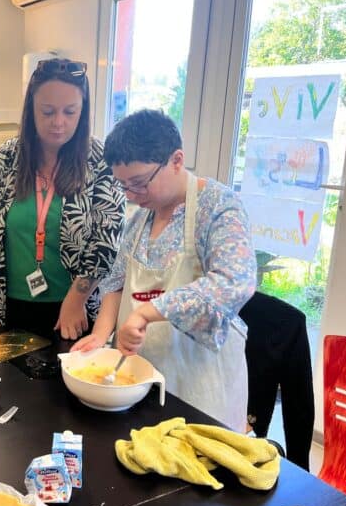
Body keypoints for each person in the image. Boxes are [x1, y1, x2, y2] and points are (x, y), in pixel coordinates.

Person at [72, 109, 256, 431]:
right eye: (123, 186)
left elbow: (234, 281)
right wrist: (100, 336)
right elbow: (116, 283)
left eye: (139, 183)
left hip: (201, 389)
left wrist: (147, 312)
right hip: (144, 380)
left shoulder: (219, 207)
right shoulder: (140, 219)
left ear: (176, 160)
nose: (131, 195)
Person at [0, 59, 124, 339]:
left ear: (83, 111)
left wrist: (77, 297)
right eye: (47, 111)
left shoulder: (100, 161)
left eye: (70, 112)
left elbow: (106, 242)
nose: (59, 122)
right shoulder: (6, 158)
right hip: (13, 308)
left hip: (74, 312)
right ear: (31, 109)